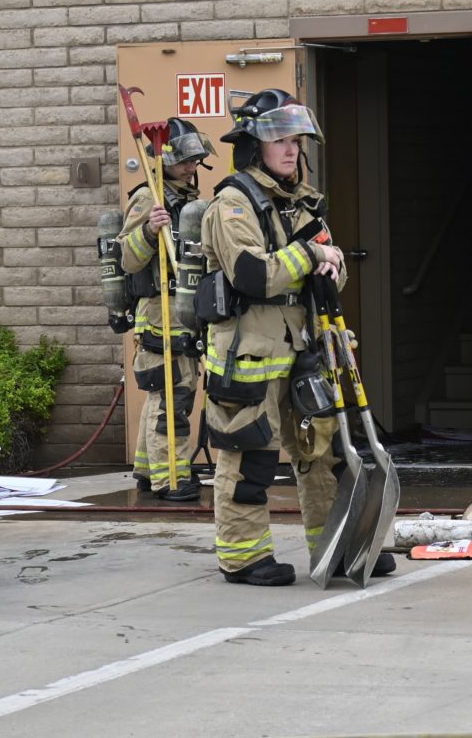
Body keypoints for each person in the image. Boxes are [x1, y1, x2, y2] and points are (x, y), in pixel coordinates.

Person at [200, 88, 396, 584]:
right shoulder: (233, 204)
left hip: (304, 350)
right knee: (250, 458)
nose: (291, 150)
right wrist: (311, 257)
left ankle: (336, 547)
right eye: (280, 141)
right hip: (249, 354)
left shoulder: (302, 204)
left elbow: (333, 266)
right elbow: (252, 275)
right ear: (254, 146)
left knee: (322, 453)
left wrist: (330, 266)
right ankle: (243, 558)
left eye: (296, 141)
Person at [118, 118, 215, 500]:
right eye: (185, 160)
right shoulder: (149, 197)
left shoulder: (187, 199)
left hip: (183, 312)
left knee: (165, 392)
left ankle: (147, 470)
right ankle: (170, 478)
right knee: (172, 396)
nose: (192, 167)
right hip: (160, 313)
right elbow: (127, 258)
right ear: (165, 160)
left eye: (195, 160)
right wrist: (148, 230)